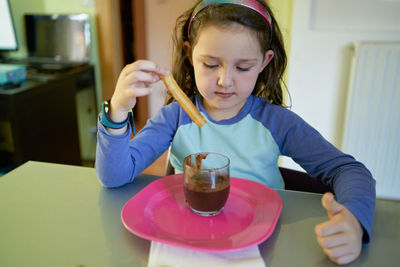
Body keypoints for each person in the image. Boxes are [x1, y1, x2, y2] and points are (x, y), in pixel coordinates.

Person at [95, 0, 375, 265]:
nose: (224, 81)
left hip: (262, 248)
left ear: (264, 62)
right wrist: (117, 112)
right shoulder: (174, 118)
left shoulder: (277, 123)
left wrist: (354, 220)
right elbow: (114, 176)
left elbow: (349, 171)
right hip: (186, 245)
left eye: (243, 67)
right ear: (189, 53)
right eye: (211, 64)